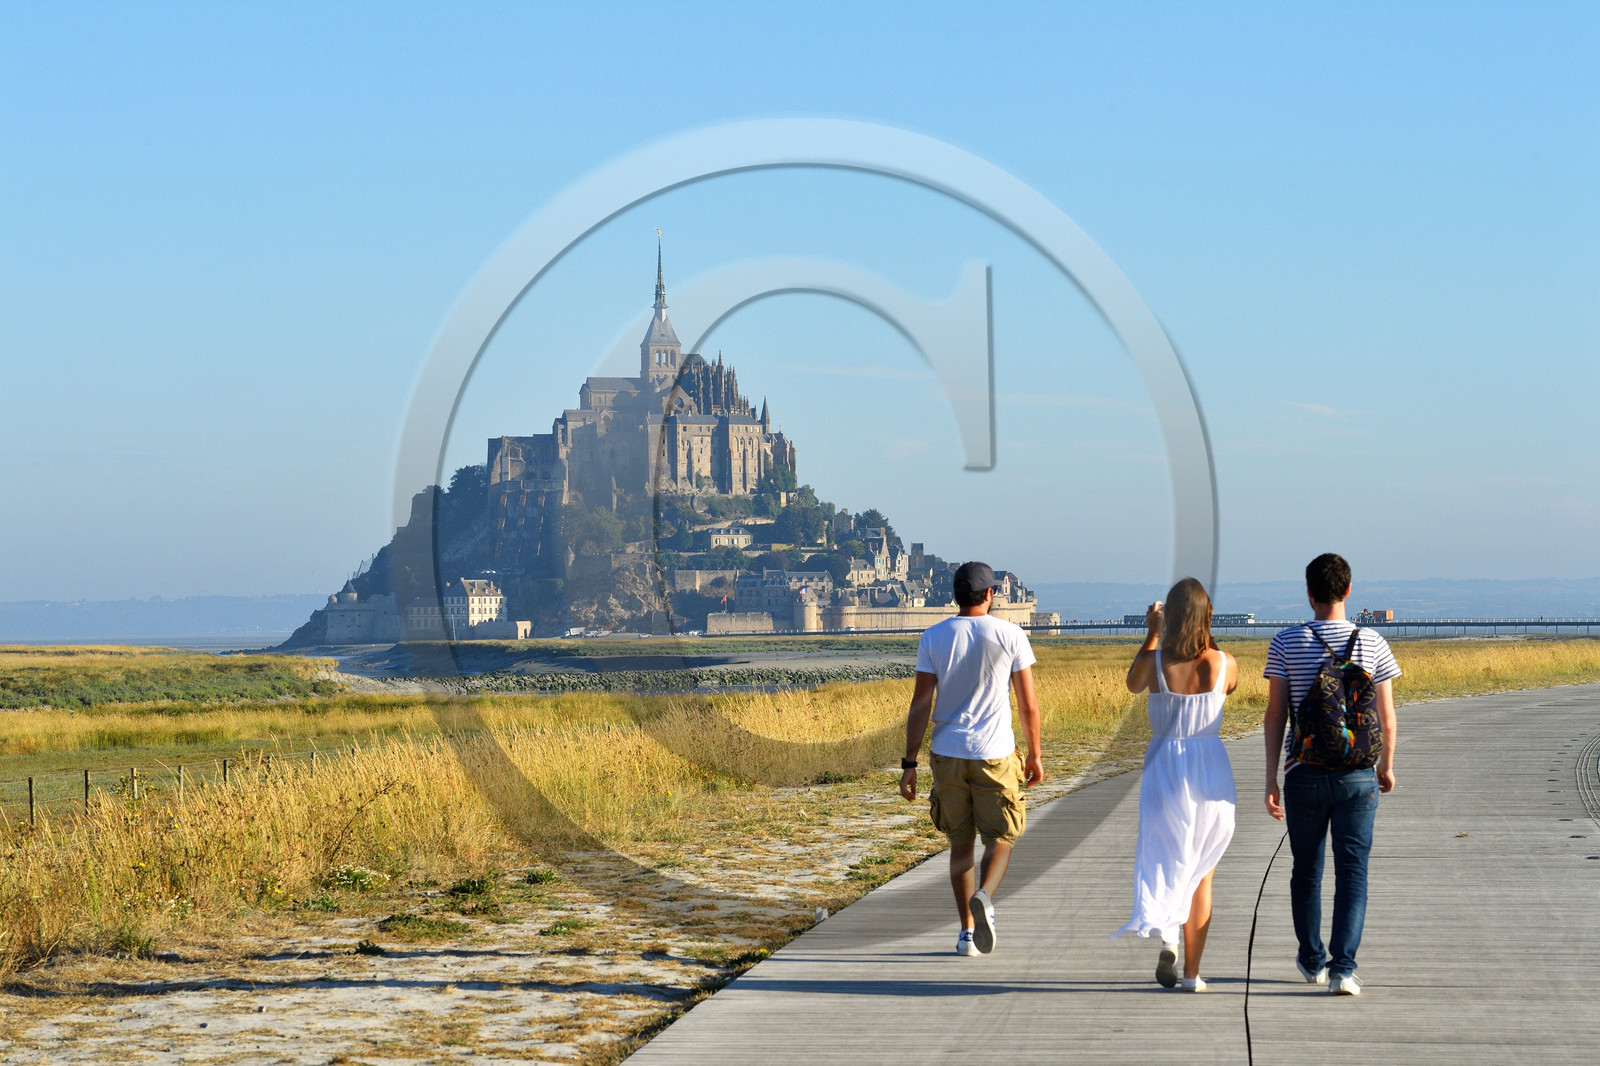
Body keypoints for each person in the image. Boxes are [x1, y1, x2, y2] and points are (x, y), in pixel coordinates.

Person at [1263, 553, 1400, 996]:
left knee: (1306, 868)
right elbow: (1387, 714)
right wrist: (1386, 765)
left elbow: (1275, 714)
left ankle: (1311, 958)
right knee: (1353, 871)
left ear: (1308, 592)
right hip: (1358, 774)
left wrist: (1271, 777)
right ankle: (1343, 969)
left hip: (1303, 773)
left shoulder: (1285, 643)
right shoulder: (1374, 643)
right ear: (1348, 590)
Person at [899, 561, 1044, 956]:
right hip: (995, 752)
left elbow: (921, 704)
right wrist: (1035, 754)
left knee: (959, 844)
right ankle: (985, 895)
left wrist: (909, 763)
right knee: (1001, 837)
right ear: (991, 594)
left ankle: (966, 933)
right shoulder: (1011, 635)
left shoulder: (934, 636)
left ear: (955, 595)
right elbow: (1028, 705)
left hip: (947, 753)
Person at [1113, 577, 1238, 991]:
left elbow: (1132, 683)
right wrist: (1206, 631)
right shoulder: (1225, 664)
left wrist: (1152, 634)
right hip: (1210, 769)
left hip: (1165, 768)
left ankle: (1168, 936)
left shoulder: (1156, 663)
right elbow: (1226, 682)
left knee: (1166, 859)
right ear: (1207, 617)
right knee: (1202, 871)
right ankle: (1192, 974)